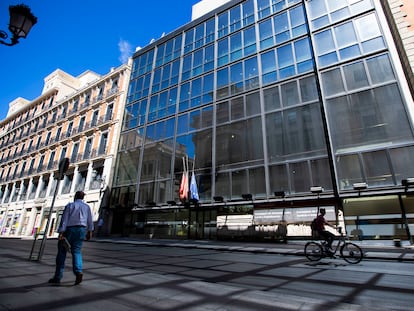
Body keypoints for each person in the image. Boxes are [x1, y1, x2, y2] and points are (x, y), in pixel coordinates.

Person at [48, 191, 94, 285]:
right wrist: (90, 231)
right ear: (83, 197)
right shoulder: (87, 207)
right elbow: (90, 220)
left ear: (75, 196)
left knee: (61, 253)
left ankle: (58, 276)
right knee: (76, 251)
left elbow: (64, 219)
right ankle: (78, 271)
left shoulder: (70, 205)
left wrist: (61, 232)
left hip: (69, 230)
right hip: (81, 230)